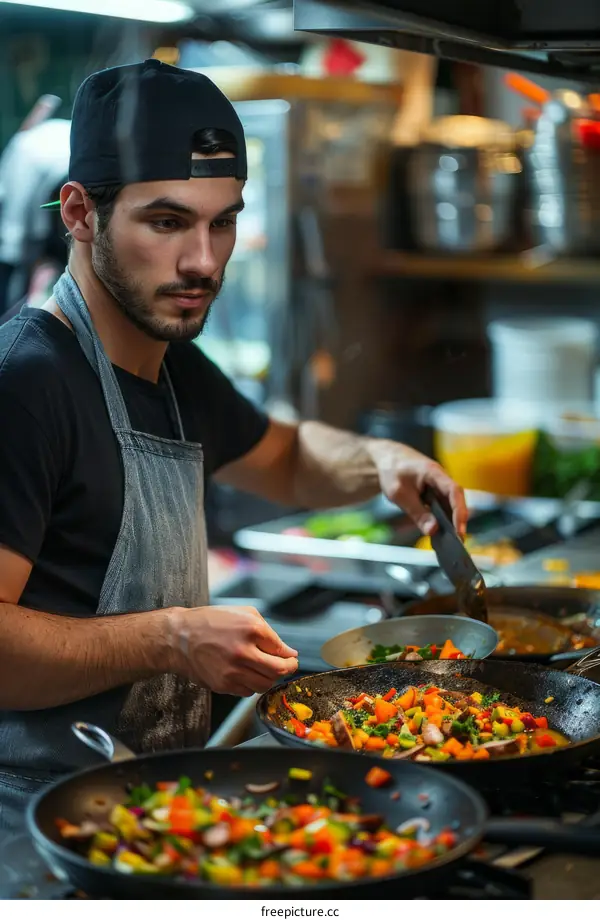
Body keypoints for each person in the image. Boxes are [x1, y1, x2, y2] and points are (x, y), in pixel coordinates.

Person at [0, 59, 467, 831]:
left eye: (223, 222)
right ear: (80, 213)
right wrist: (172, 638)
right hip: (33, 829)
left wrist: (381, 462)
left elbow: (286, 459)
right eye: (167, 222)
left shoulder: (171, 365)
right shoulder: (25, 382)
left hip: (157, 811)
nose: (203, 262)